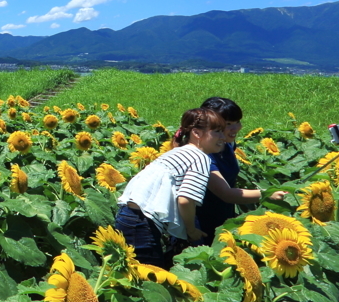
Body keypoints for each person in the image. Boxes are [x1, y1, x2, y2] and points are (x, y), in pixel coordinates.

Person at [114, 108, 225, 268]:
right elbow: (186, 200)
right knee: (151, 280)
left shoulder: (177, 152)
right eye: (217, 132)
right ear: (197, 133)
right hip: (142, 222)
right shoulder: (200, 158)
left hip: (128, 216)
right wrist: (191, 230)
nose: (223, 137)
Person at [195, 97, 287, 242]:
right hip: (201, 222)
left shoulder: (226, 144)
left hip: (224, 214)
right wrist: (268, 194)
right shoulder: (203, 155)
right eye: (228, 124)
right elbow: (226, 193)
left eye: (237, 122)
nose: (236, 128)